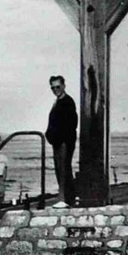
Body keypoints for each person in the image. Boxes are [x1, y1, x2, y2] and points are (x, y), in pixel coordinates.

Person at [46, 75, 78, 208]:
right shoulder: (58, 102)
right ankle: (68, 198)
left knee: (64, 168)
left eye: (58, 87)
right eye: (52, 87)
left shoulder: (68, 102)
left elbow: (71, 124)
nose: (55, 90)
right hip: (57, 141)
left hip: (64, 141)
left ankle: (64, 198)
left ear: (64, 86)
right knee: (60, 169)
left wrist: (60, 139)